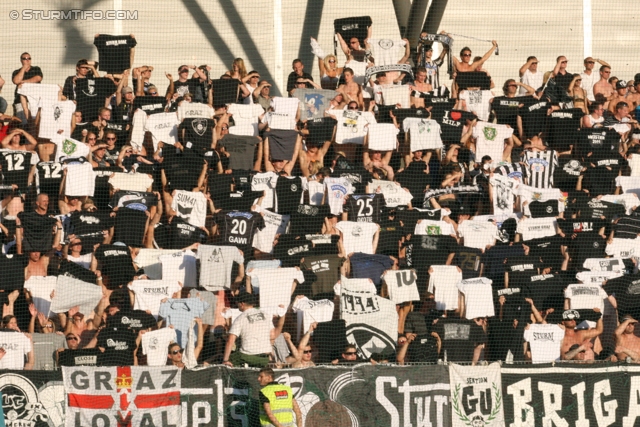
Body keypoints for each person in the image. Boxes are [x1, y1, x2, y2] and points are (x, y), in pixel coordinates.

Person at [222, 293, 272, 367]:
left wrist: (225, 360)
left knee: (225, 359)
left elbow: (230, 341)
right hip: (265, 358)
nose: (237, 304)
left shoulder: (240, 318)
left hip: (247, 356)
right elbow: (273, 334)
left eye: (237, 303)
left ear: (242, 304)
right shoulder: (265, 315)